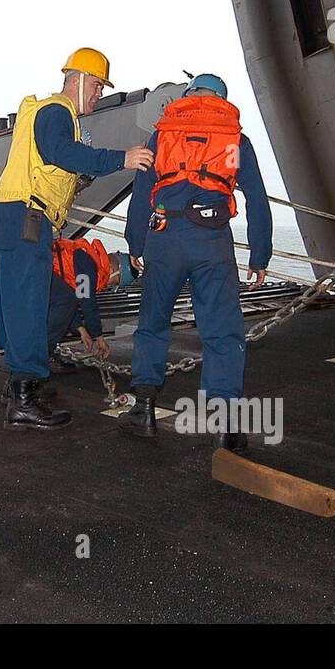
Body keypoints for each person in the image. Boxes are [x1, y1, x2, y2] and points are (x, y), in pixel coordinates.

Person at [0, 48, 154, 430]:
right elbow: (61, 152)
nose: (98, 95)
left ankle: (21, 385)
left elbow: (52, 161)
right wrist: (121, 159)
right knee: (28, 306)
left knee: (58, 299)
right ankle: (23, 399)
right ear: (76, 80)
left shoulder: (50, 115)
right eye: (96, 86)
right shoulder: (57, 111)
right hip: (26, 216)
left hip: (19, 215)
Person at [122, 73, 271, 449]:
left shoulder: (163, 133)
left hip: (165, 238)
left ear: (188, 97)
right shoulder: (235, 139)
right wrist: (260, 253)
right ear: (221, 100)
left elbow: (142, 193)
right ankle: (227, 426)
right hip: (211, 241)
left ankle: (144, 409)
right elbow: (255, 196)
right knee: (222, 330)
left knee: (154, 323)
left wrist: (135, 243)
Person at [48, 236, 136, 369]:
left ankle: (44, 352)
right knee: (65, 303)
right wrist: (98, 336)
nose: (109, 286)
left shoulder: (85, 259)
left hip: (44, 279)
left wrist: (81, 330)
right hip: (41, 279)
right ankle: (42, 355)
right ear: (113, 270)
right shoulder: (87, 263)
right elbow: (86, 301)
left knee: (66, 301)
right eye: (115, 282)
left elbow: (73, 296)